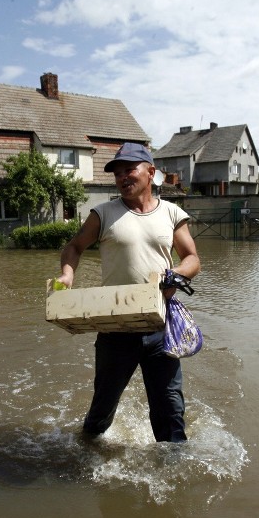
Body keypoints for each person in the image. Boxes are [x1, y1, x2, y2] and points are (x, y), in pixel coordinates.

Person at [56, 142, 201, 443]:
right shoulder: (104, 213)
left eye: (129, 170)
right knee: (102, 409)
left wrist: (176, 274)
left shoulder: (172, 213)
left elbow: (192, 258)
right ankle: (85, 453)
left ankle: (173, 469)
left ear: (150, 172)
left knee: (170, 409)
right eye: (117, 173)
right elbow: (74, 247)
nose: (122, 177)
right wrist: (68, 274)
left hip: (160, 325)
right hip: (115, 327)